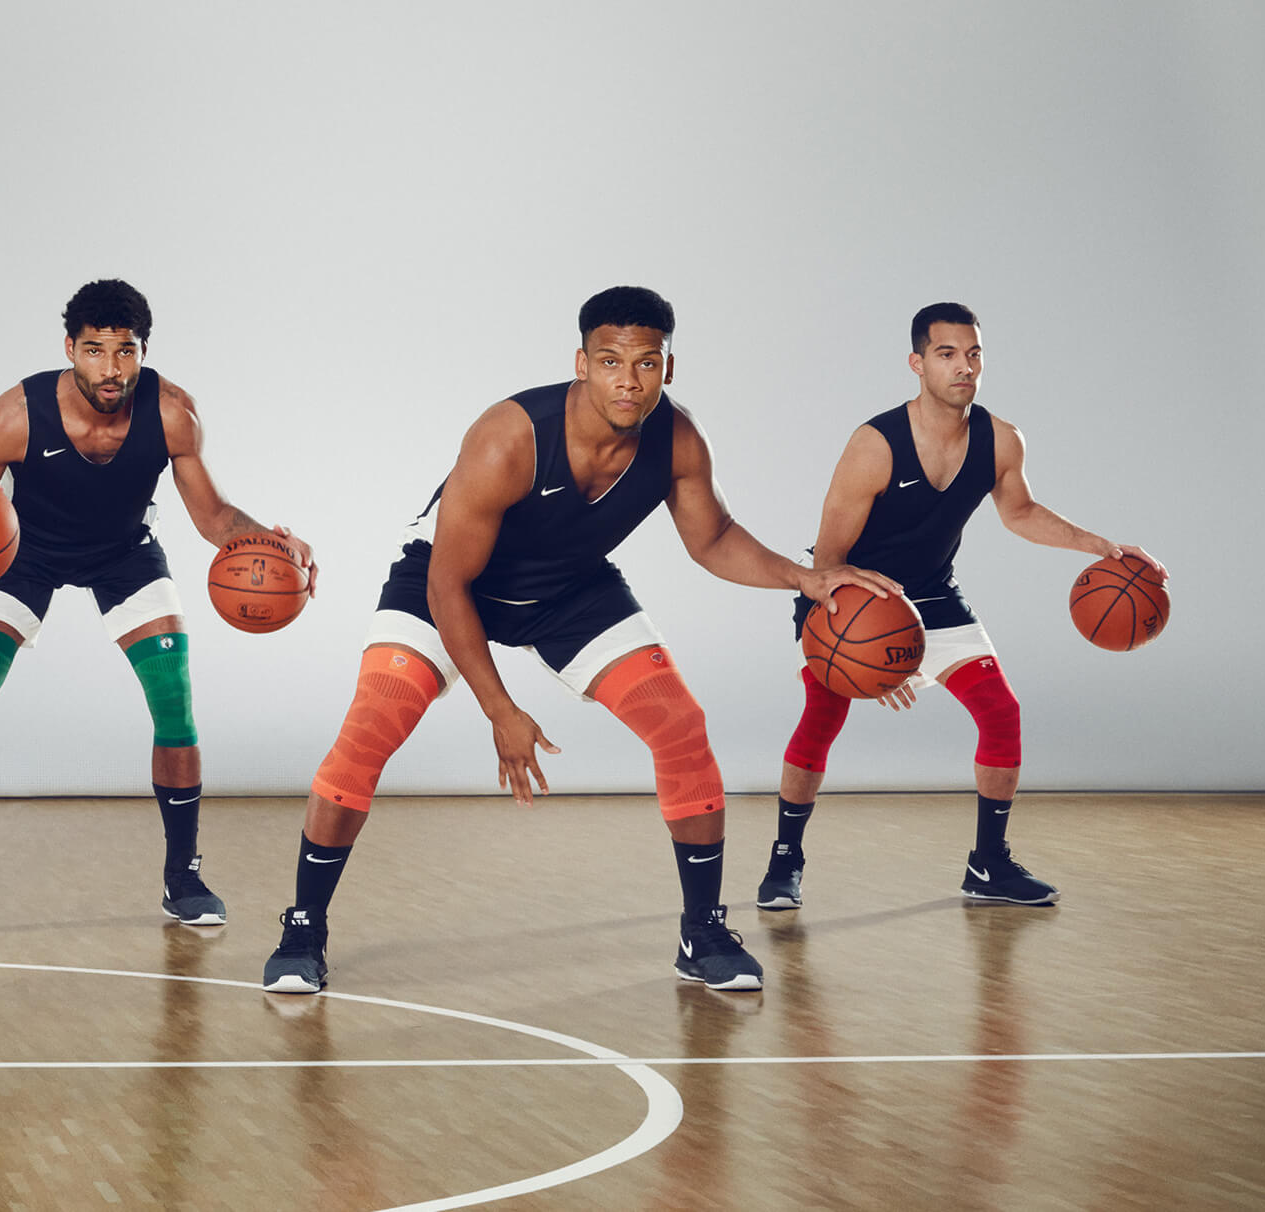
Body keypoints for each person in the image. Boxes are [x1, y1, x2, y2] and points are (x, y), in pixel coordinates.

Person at [260, 286, 898, 996]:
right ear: (582, 363)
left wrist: (804, 578)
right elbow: (448, 588)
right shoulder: (509, 437)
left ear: (668, 367)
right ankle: (304, 927)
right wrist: (500, 709)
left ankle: (702, 931)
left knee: (680, 725)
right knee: (375, 719)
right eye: (611, 361)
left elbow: (712, 538)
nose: (629, 380)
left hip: (569, 589)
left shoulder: (677, 440)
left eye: (646, 362)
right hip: (446, 582)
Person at [0, 279, 315, 927]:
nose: (110, 368)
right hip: (21, 555)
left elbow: (213, 517)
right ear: (70, 348)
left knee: (174, 700)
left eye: (125, 352)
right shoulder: (15, 416)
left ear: (142, 352)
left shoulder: (172, 413)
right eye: (95, 351)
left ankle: (182, 876)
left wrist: (270, 541)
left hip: (123, 552)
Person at [763, 302, 1156, 911]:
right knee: (822, 718)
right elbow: (829, 560)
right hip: (848, 598)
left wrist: (1099, 545)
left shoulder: (1001, 439)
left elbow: (1019, 511)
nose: (964, 366)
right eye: (947, 354)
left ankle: (988, 865)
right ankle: (785, 859)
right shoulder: (875, 444)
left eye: (973, 354)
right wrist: (876, 657)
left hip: (935, 596)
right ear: (917, 363)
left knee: (1002, 712)